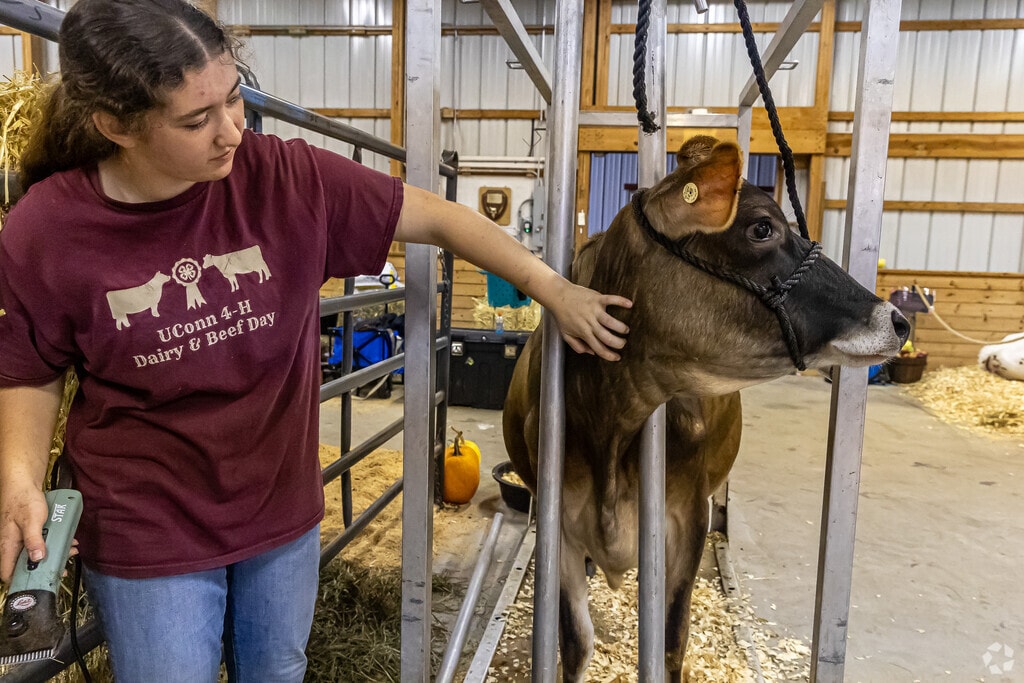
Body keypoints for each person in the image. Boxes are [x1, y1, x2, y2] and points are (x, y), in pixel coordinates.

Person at [0, 1, 631, 681]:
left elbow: (444, 218)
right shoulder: (50, 229)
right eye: (195, 119)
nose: (232, 131)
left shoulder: (285, 179)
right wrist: (18, 479)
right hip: (148, 521)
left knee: (278, 670)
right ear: (115, 125)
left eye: (233, 98)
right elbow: (30, 367)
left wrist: (554, 290)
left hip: (279, 509)